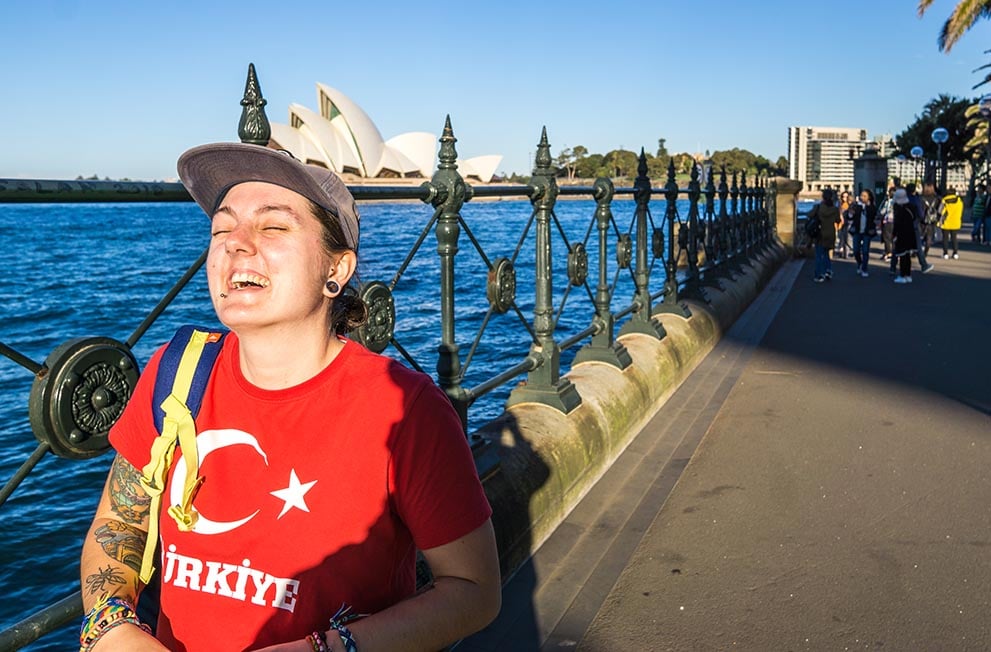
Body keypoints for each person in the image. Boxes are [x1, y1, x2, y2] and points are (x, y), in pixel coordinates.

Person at [78, 143, 501, 651]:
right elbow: (120, 521)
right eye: (221, 228)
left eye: (273, 226)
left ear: (336, 271)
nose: (235, 243)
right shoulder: (177, 370)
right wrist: (110, 629)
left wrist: (324, 649)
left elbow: (474, 590)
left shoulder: (403, 409)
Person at [808, 188, 839, 282]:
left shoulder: (818, 207)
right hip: (830, 233)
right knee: (826, 254)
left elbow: (809, 215)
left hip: (820, 233)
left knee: (819, 255)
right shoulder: (835, 209)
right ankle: (828, 270)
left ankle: (819, 274)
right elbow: (838, 220)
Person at [847, 189, 878, 277]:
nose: (862, 197)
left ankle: (864, 268)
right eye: (861, 195)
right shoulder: (856, 206)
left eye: (864, 196)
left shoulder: (871, 207)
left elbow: (873, 215)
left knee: (865, 251)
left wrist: (867, 206)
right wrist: (851, 213)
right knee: (856, 250)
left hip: (867, 232)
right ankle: (859, 263)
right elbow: (850, 217)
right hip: (857, 231)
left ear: (869, 197)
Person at [905, 183, 934, 273]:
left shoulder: (902, 199)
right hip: (914, 225)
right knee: (918, 246)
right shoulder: (916, 200)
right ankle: (923, 265)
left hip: (903, 224)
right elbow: (921, 214)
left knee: (900, 246)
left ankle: (893, 267)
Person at [892, 187, 919, 284]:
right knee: (907, 255)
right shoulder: (911, 207)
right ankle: (908, 275)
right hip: (910, 232)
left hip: (901, 234)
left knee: (902, 255)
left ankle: (902, 275)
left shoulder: (899, 208)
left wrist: (894, 234)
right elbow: (915, 218)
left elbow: (897, 223)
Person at [919, 183, 943, 256]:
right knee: (929, 235)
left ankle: (918, 250)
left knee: (920, 235)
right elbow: (940, 209)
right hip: (932, 219)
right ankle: (926, 251)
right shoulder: (937, 198)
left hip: (922, 219)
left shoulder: (921, 198)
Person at [940, 186, 963, 259]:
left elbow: (940, 211)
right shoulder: (959, 200)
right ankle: (955, 253)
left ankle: (945, 253)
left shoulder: (944, 200)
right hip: (955, 222)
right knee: (954, 238)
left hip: (946, 222)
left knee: (945, 238)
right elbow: (961, 210)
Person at [878, 186, 896, 260]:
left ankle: (888, 252)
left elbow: (881, 211)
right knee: (894, 238)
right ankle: (894, 252)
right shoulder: (899, 201)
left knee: (887, 238)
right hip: (896, 221)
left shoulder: (888, 202)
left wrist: (885, 200)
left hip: (888, 221)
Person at [837, 190, 852, 258]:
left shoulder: (850, 205)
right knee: (841, 237)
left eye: (846, 197)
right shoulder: (839, 204)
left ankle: (846, 252)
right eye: (843, 197)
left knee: (847, 238)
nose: (844, 198)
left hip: (848, 223)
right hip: (840, 224)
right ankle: (841, 250)